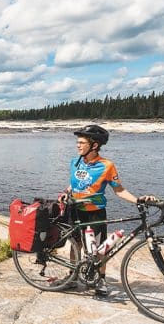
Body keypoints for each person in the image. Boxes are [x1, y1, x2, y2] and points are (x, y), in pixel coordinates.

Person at [60, 124, 152, 296]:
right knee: (75, 245)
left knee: (100, 249)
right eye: (77, 142)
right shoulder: (75, 162)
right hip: (75, 210)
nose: (77, 145)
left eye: (82, 142)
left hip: (95, 212)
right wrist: (66, 192)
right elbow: (74, 185)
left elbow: (119, 190)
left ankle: (101, 280)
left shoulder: (107, 166)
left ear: (94, 145)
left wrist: (137, 199)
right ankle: (72, 277)